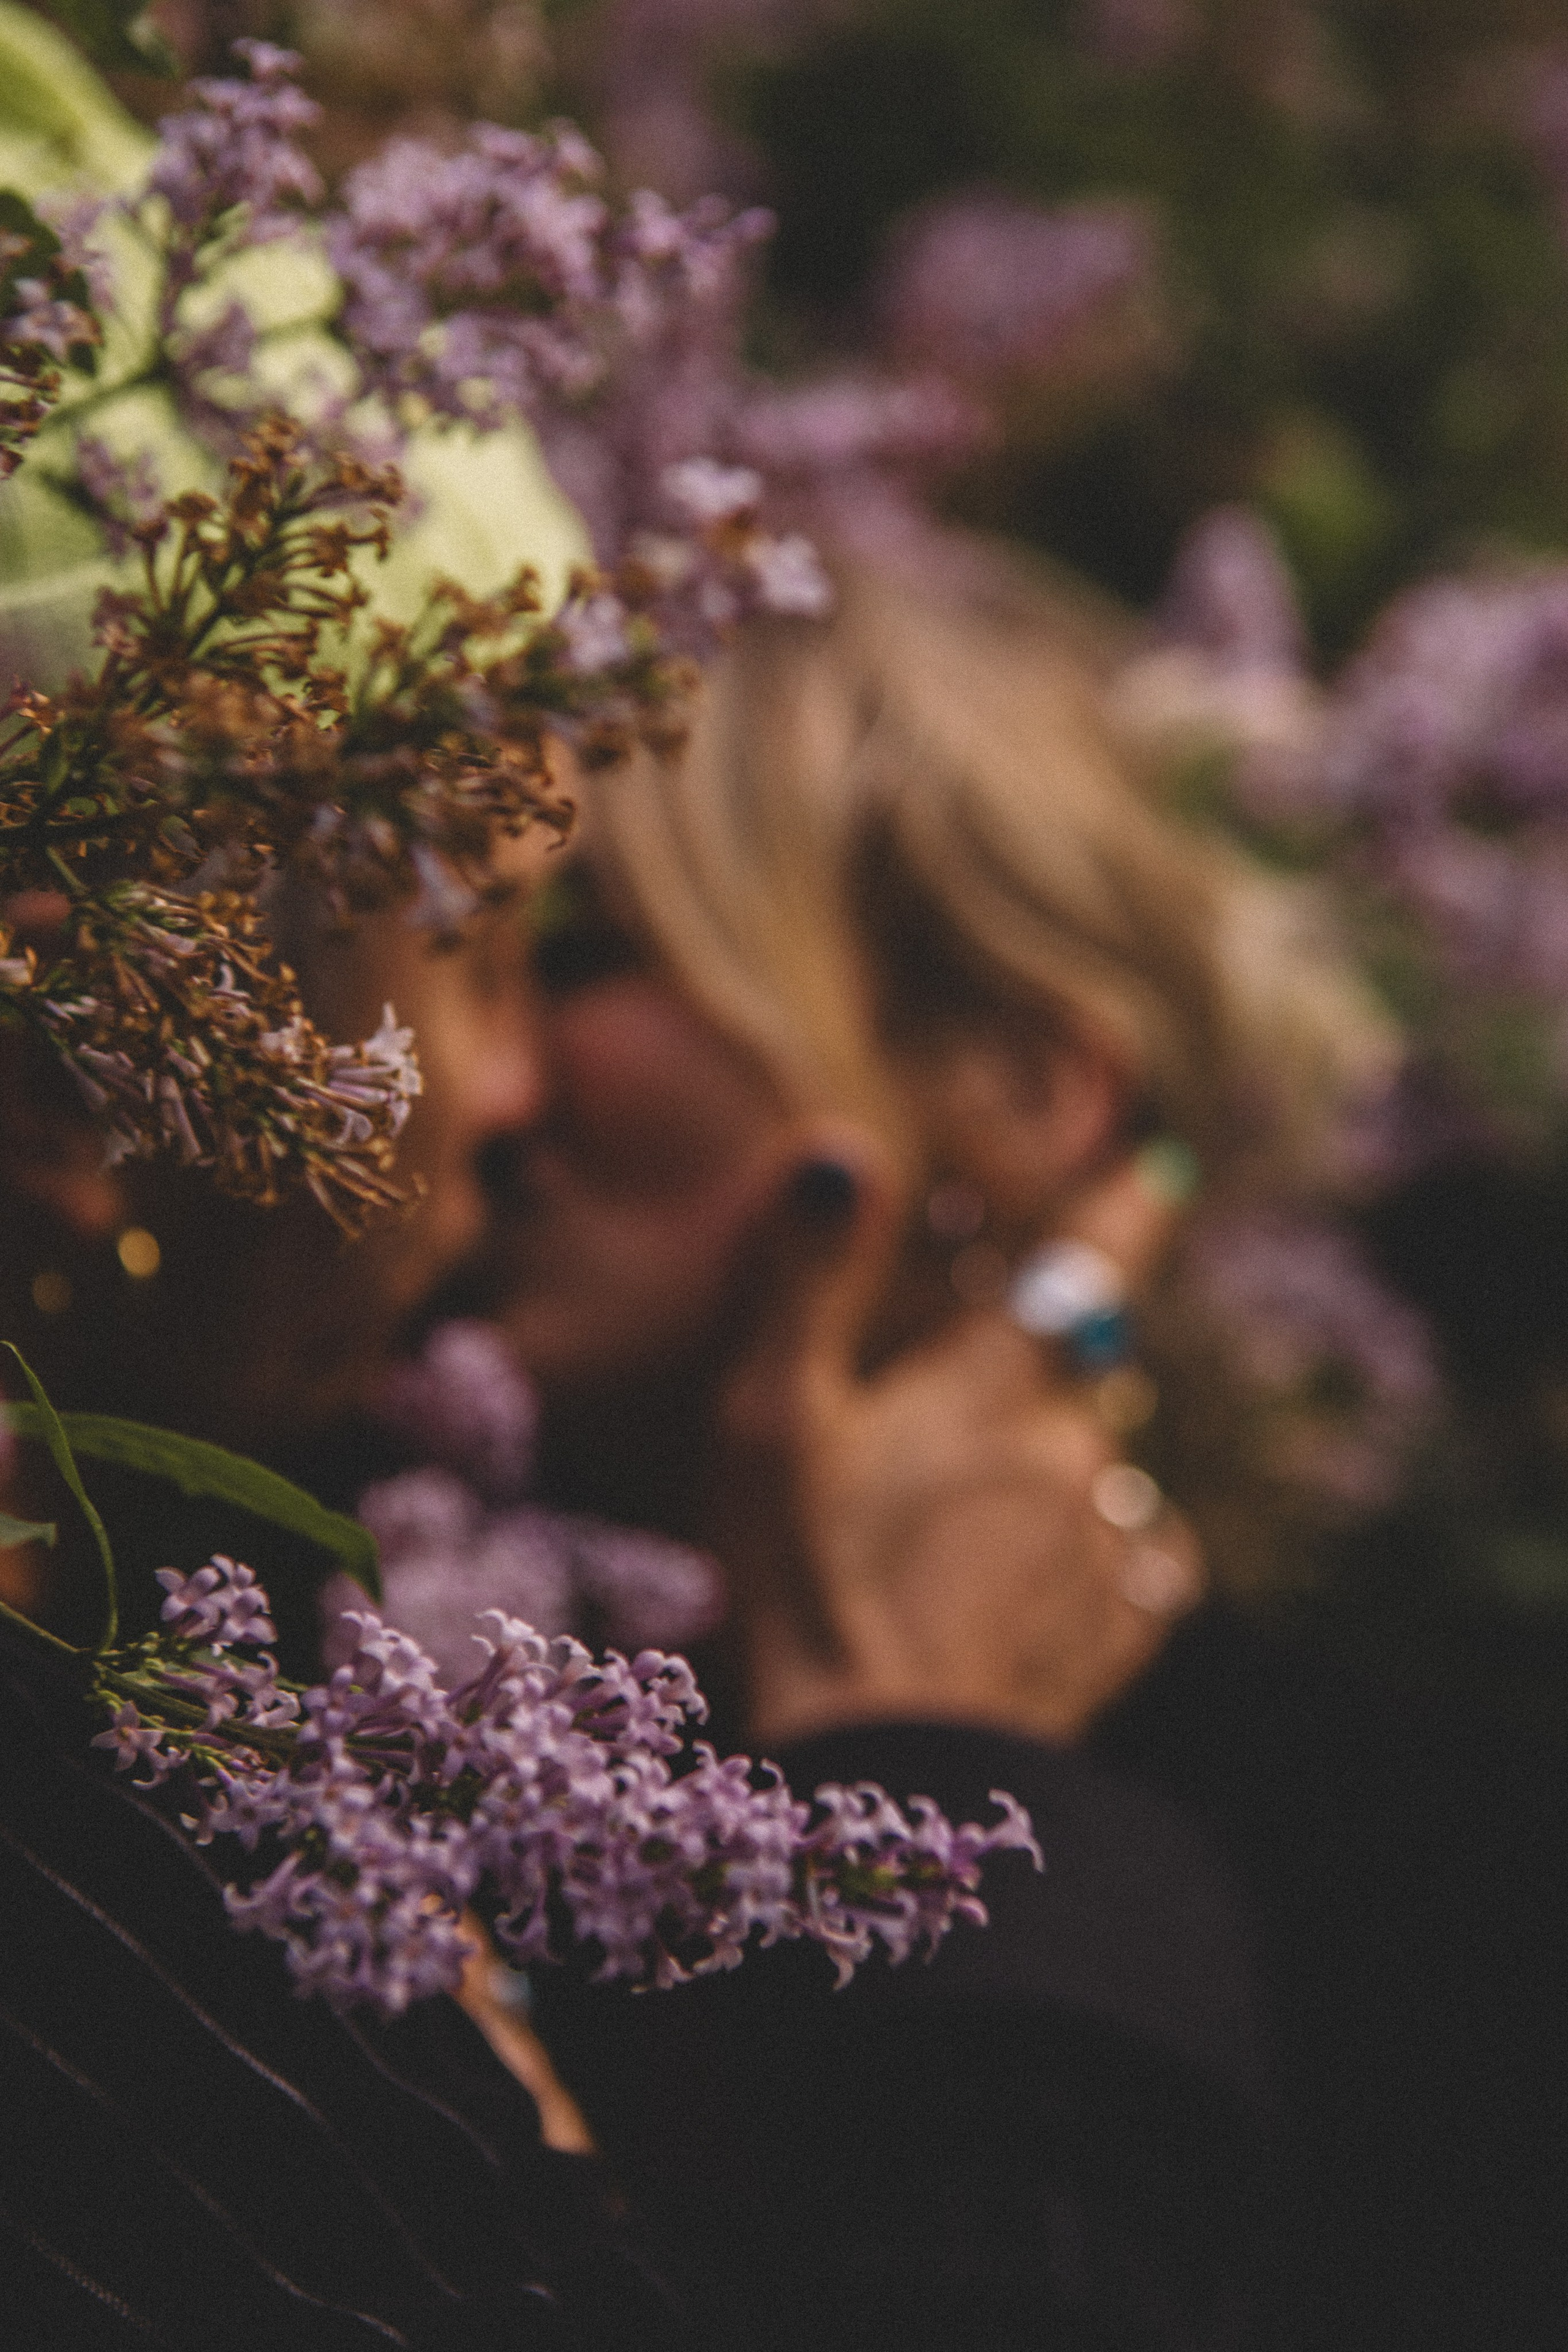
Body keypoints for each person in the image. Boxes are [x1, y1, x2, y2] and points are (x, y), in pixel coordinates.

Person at [465, 559, 1566, 2352]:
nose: (483, 1071)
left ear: (1022, 1088)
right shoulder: (352, 1736)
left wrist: (921, 1788)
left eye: (584, 950)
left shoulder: (1467, 1919)